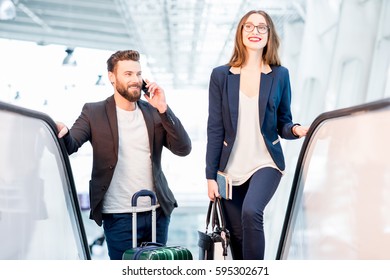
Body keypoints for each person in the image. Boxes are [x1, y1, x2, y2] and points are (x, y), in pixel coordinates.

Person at [56, 50, 192, 260]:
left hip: (157, 212)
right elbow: (71, 144)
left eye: (138, 74)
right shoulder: (94, 112)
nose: (135, 80)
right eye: (128, 74)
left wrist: (164, 109)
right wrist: (62, 132)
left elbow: (183, 148)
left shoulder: (153, 112)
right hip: (119, 215)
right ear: (112, 77)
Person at [205, 10, 308, 260]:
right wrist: (210, 176)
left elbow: (283, 121)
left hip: (266, 161)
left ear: (269, 35)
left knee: (252, 212)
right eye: (248, 27)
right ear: (240, 34)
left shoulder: (279, 75)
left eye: (261, 27)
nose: (255, 31)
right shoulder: (221, 75)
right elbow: (215, 127)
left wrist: (295, 129)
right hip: (229, 169)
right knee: (237, 233)